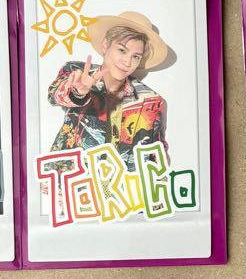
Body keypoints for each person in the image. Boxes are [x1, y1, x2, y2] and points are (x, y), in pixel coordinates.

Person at [47, 11, 173, 171]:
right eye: (122, 50)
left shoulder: (150, 101)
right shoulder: (76, 71)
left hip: (121, 185)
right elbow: (54, 94)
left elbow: (156, 156)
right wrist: (78, 93)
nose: (127, 62)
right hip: (71, 181)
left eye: (136, 56)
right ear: (105, 45)